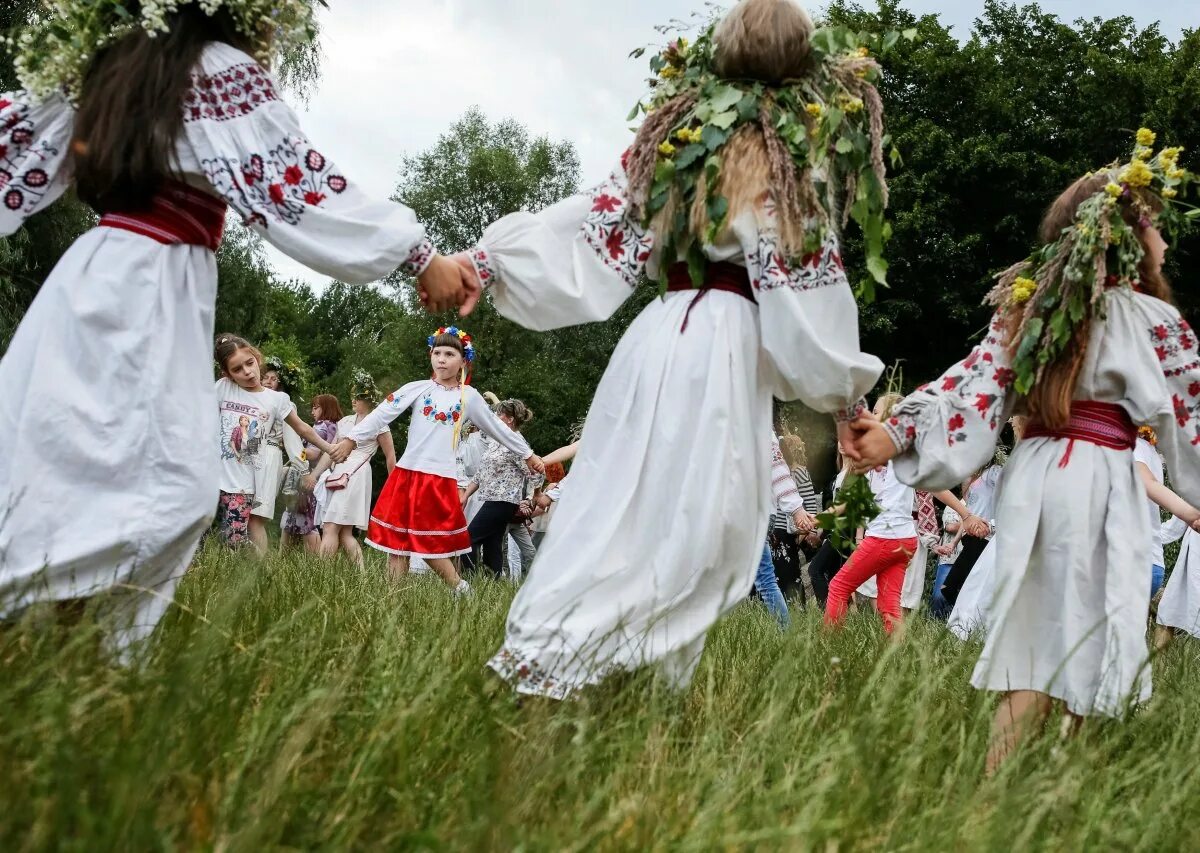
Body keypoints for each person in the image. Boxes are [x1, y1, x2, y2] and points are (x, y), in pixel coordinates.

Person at [0, 1, 467, 651]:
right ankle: (72, 632)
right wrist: (420, 255)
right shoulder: (216, 70)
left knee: (81, 457)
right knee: (166, 482)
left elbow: (14, 148)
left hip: (90, 279)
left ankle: (62, 635)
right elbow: (297, 188)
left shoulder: (112, 67)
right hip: (150, 284)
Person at [464, 0, 888, 697]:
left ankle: (584, 663)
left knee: (625, 501)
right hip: (723, 347)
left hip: (657, 335)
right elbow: (806, 299)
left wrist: (488, 263)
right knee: (699, 522)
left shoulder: (679, 141)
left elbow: (592, 221)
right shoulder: (786, 163)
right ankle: (610, 668)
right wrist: (847, 401)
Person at [849, 134, 1200, 771]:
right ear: (1125, 236)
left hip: (1036, 480)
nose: (1166, 240)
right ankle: (1066, 789)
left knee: (1033, 638)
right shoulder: (1154, 320)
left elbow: (970, 387)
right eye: (1154, 224)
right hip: (1099, 479)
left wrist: (898, 431)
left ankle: (996, 789)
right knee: (1097, 632)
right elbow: (1189, 426)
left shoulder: (1028, 311)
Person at [331, 329, 543, 594]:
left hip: (437, 478)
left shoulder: (469, 397)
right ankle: (391, 600)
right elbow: (382, 413)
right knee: (399, 542)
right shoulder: (418, 388)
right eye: (437, 353)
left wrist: (528, 454)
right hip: (406, 474)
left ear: (463, 361)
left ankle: (460, 587)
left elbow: (497, 428)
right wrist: (351, 438)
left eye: (450, 354)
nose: (441, 359)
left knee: (426, 542)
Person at [827, 395, 984, 633]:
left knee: (839, 586)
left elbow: (935, 486)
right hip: (904, 541)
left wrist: (966, 515)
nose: (872, 414)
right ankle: (896, 658)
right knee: (889, 605)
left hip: (885, 537)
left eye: (877, 411)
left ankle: (827, 646)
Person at [214, 335, 343, 553]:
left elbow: (302, 428)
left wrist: (329, 448)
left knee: (240, 532)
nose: (247, 371)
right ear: (228, 374)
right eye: (237, 369)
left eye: (249, 363)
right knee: (227, 531)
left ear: (256, 358)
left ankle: (258, 572)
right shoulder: (223, 388)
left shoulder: (276, 400)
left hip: (251, 475)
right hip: (221, 473)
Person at [307, 373, 396, 566]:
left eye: (358, 396)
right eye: (353, 396)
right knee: (344, 531)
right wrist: (314, 475)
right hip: (339, 473)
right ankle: (361, 577)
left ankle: (320, 572)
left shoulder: (379, 422)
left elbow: (390, 457)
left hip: (357, 473)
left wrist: (393, 487)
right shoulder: (345, 421)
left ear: (369, 399)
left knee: (331, 526)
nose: (353, 400)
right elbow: (331, 452)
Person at [461, 399, 544, 578]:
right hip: (492, 499)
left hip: (504, 501)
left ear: (510, 419)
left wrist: (535, 494)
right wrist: (466, 495)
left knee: (469, 539)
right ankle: (493, 582)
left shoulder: (517, 444)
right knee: (492, 543)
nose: (496, 418)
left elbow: (537, 470)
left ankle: (468, 582)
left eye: (499, 414)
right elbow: (481, 472)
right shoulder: (496, 442)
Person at [281, 394, 342, 553]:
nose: (312, 411)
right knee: (297, 516)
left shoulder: (322, 425)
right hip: (318, 475)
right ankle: (288, 558)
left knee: (305, 519)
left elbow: (314, 453)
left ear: (327, 408)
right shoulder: (334, 426)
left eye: (316, 407)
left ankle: (312, 561)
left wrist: (294, 449)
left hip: (309, 475)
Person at [254, 358, 306, 534]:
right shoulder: (251, 400)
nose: (268, 381)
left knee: (258, 515)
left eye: (273, 378)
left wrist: (304, 469)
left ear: (279, 383)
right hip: (249, 455)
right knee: (241, 510)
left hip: (270, 454)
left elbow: (293, 441)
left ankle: (257, 561)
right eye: (265, 377)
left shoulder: (285, 404)